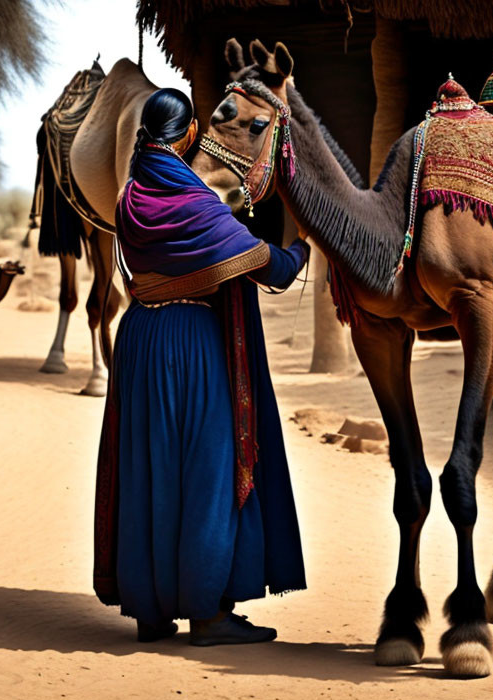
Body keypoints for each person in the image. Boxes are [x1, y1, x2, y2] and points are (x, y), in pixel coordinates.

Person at [93, 88, 310, 646]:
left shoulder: (128, 197)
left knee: (148, 470)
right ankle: (209, 615)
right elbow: (273, 269)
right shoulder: (197, 203)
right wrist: (304, 247)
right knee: (208, 473)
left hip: (139, 341)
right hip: (192, 343)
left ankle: (151, 611)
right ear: (188, 135)